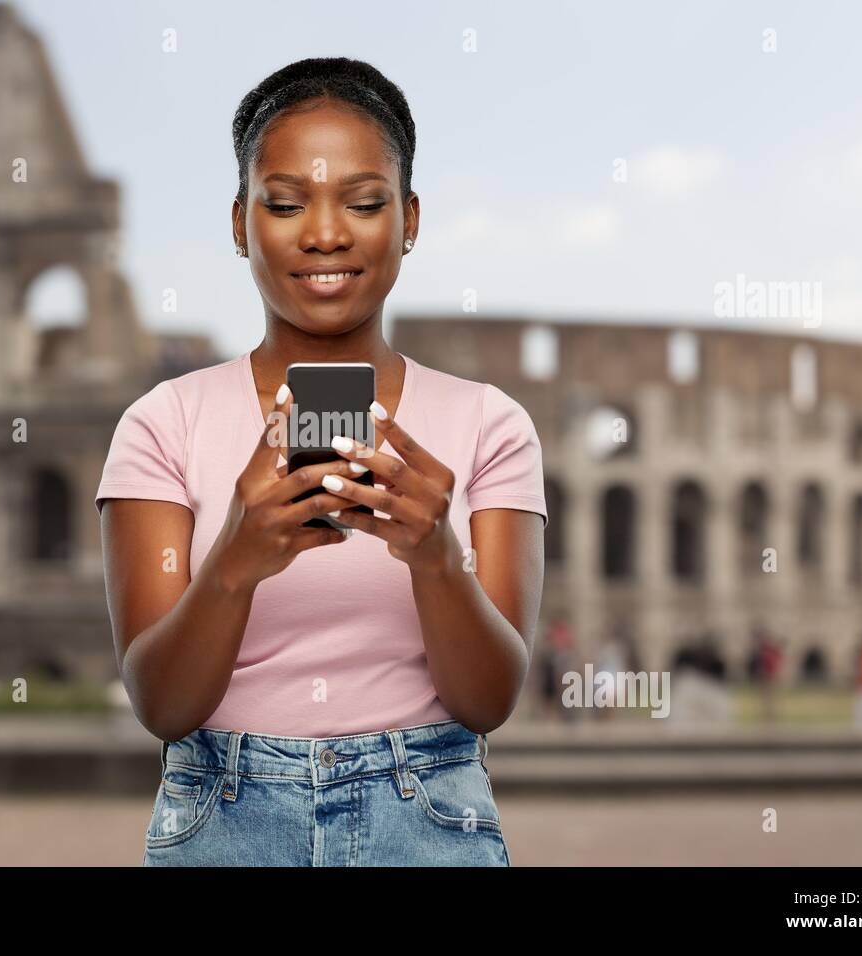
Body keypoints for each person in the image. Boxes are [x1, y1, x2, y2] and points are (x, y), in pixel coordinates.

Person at [96, 58, 548, 866]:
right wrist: (234, 562)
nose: (326, 233)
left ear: (409, 219)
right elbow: (162, 704)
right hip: (223, 817)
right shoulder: (163, 423)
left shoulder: (489, 424)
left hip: (429, 816)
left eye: (365, 202)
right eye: (286, 203)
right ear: (240, 224)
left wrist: (438, 561)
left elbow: (487, 702)